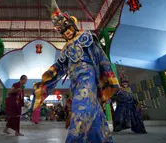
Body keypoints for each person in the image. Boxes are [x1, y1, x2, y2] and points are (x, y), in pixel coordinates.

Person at [32, 0, 120, 142]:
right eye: (62, 31)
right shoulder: (65, 48)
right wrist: (45, 81)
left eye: (67, 28)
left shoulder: (86, 37)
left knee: (81, 110)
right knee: (92, 109)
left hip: (88, 76)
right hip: (75, 82)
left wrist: (109, 79)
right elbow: (59, 68)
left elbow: (100, 57)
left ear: (73, 24)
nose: (65, 32)